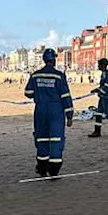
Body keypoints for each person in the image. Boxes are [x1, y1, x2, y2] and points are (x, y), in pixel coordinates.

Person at [24, 49, 74, 177]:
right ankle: (54, 170)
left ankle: (41, 168)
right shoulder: (59, 76)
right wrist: (69, 115)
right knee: (56, 138)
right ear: (54, 60)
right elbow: (65, 96)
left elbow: (28, 93)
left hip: (40, 110)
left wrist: (39, 94)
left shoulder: (35, 75)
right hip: (56, 110)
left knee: (41, 138)